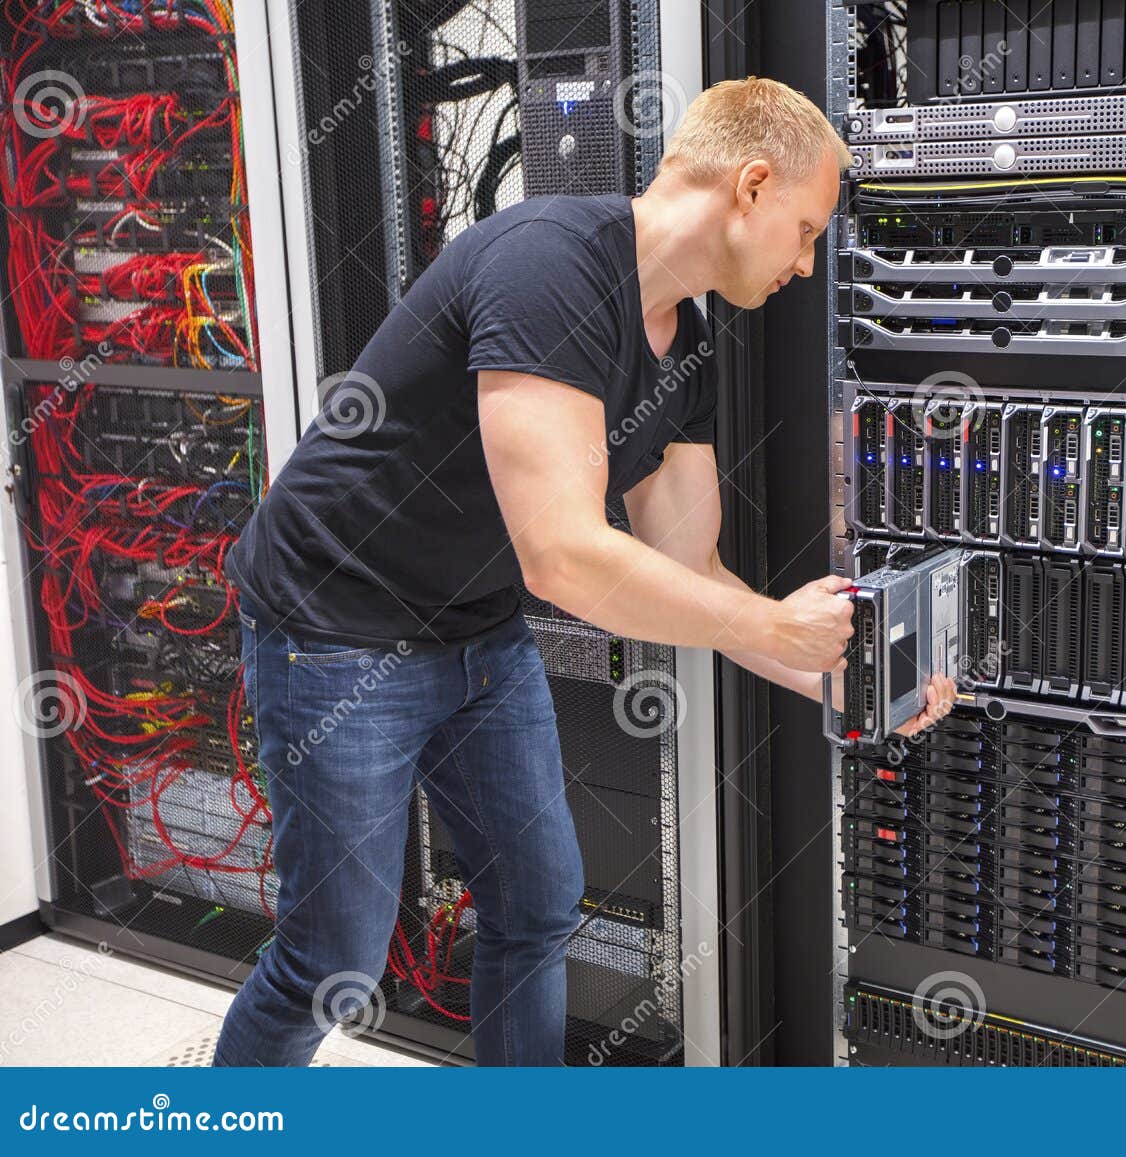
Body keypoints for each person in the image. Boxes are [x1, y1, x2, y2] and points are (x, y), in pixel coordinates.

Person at [213, 76, 956, 1067]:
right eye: (807, 226)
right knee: (328, 957)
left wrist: (837, 679)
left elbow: (690, 568)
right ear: (750, 184)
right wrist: (774, 628)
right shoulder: (546, 265)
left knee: (534, 903)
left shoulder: (684, 342)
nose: (806, 260)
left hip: (473, 628)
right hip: (333, 629)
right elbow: (562, 554)